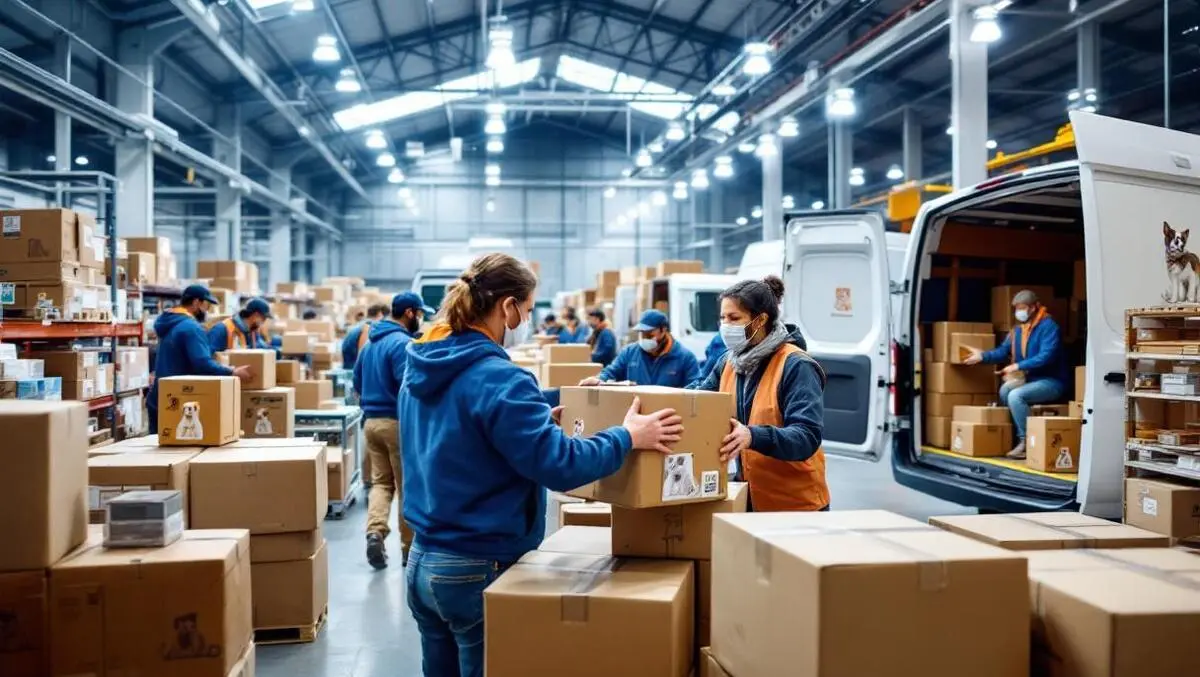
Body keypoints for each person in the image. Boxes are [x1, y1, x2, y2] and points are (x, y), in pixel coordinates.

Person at [399, 253, 683, 677]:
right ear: (508, 307)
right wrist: (628, 437)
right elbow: (559, 465)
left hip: (424, 560)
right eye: (528, 310)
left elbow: (471, 423)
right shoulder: (499, 377)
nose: (528, 320)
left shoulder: (424, 364)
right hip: (476, 565)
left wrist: (561, 398)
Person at [689, 275, 828, 512]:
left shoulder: (796, 365)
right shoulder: (729, 363)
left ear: (760, 320)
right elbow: (698, 399)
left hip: (794, 504)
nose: (725, 326)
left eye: (734, 318)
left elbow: (806, 436)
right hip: (748, 499)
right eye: (722, 318)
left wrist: (753, 436)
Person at [352, 293, 433, 569]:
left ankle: (375, 531)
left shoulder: (369, 345)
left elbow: (357, 385)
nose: (420, 319)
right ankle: (409, 549)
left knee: (381, 483)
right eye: (420, 314)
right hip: (396, 425)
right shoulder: (402, 344)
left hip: (371, 424)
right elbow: (409, 387)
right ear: (410, 313)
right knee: (406, 486)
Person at [964, 289, 1068, 459]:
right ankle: (1013, 435)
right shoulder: (1018, 330)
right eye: (1017, 308)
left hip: (1052, 381)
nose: (1019, 312)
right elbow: (1003, 351)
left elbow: (1046, 356)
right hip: (1031, 380)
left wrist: (1017, 366)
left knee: (1016, 396)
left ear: (1034, 307)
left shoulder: (1049, 327)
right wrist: (982, 356)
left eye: (1023, 308)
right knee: (1005, 390)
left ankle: (1027, 442)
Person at [149, 284, 253, 431]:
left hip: (159, 397)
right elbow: (202, 364)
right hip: (179, 400)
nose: (207, 310)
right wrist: (232, 372)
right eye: (207, 305)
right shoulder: (191, 328)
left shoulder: (169, 322)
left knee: (159, 449)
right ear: (196, 302)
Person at [580, 309, 699, 388]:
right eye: (641, 334)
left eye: (649, 334)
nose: (644, 339)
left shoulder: (684, 358)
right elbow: (612, 371)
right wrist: (598, 379)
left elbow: (694, 389)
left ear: (663, 330)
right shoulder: (630, 353)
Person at [207, 297, 272, 352]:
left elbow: (263, 347)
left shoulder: (252, 331)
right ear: (255, 315)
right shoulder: (221, 329)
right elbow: (208, 357)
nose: (263, 322)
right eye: (264, 318)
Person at [342, 303, 389, 370]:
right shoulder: (367, 327)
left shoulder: (360, 325)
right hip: (354, 373)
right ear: (380, 315)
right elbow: (363, 358)